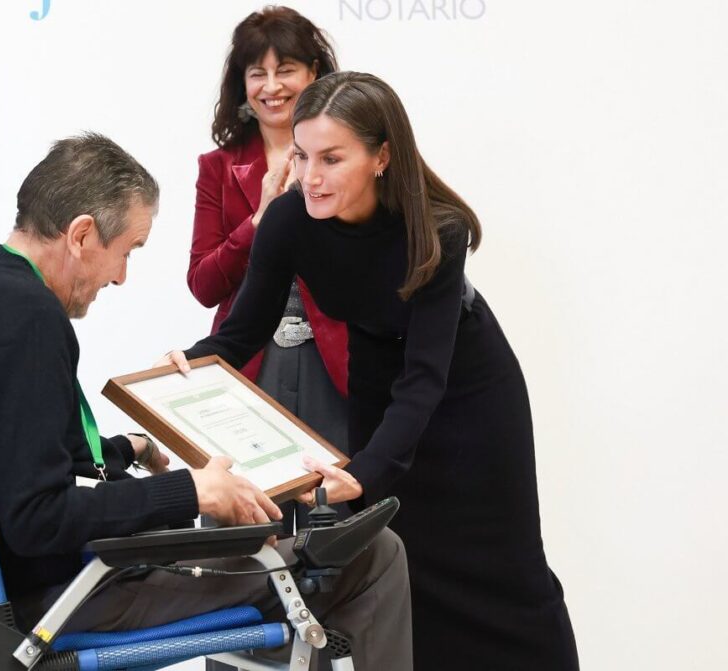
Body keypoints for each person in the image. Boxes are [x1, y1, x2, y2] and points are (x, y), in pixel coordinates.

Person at [0, 132, 412, 669]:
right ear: (82, 234)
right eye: (126, 252)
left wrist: (127, 448)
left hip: (26, 590)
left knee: (249, 549)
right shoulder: (29, 320)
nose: (121, 277)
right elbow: (38, 517)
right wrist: (190, 491)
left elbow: (15, 449)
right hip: (72, 597)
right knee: (374, 553)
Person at [160, 72, 578, 669]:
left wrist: (368, 471)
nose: (310, 176)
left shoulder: (438, 229)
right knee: (406, 572)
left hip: (469, 394)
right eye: (302, 156)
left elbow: (427, 376)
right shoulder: (287, 220)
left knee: (504, 572)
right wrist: (185, 366)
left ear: (382, 156)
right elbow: (239, 333)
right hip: (380, 383)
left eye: (332, 159)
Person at [190, 6, 349, 533]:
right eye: (256, 72)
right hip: (251, 364)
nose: (271, 86)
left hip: (338, 359)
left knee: (339, 515)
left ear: (315, 75)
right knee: (248, 521)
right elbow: (204, 282)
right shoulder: (217, 168)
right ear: (241, 84)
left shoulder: (348, 155)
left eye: (286, 70)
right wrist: (260, 219)